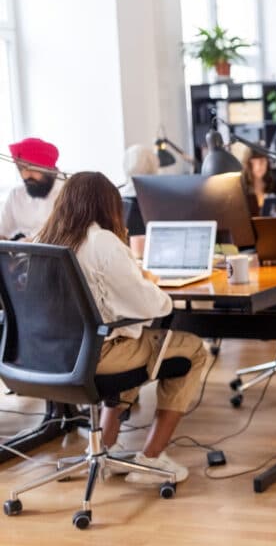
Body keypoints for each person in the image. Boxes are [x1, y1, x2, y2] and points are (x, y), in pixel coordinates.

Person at [35, 172, 209, 484]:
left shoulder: (45, 239)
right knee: (193, 349)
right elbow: (150, 306)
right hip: (96, 357)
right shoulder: (102, 241)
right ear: (107, 205)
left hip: (49, 357)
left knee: (136, 339)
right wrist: (153, 287)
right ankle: (152, 460)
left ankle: (103, 452)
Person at [0, 137, 64, 240]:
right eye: (20, 168)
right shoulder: (16, 195)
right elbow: (3, 232)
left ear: (50, 168)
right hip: (22, 254)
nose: (26, 175)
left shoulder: (71, 193)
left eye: (31, 168)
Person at [240, 147, 276, 215]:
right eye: (254, 162)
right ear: (248, 163)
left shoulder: (275, 184)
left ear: (267, 162)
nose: (259, 166)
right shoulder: (240, 187)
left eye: (262, 161)